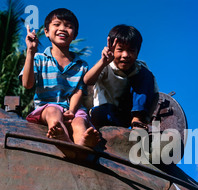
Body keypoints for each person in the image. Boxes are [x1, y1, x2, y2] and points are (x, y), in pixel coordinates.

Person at [20, 8, 100, 149]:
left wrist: (72, 111)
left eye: (69, 26)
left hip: (73, 109)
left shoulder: (81, 65)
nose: (62, 29)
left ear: (74, 35)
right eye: (57, 24)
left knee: (79, 122)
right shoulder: (39, 59)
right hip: (47, 107)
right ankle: (62, 139)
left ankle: (83, 145)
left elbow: (78, 90)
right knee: (53, 111)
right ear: (46, 32)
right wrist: (30, 52)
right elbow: (27, 84)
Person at [84, 24, 158, 130]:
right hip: (107, 112)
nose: (125, 55)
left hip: (131, 112)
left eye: (131, 50)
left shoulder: (140, 68)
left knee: (145, 74)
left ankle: (137, 120)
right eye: (120, 49)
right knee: (99, 113)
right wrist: (103, 62)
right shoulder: (106, 66)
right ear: (112, 50)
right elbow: (87, 80)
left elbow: (154, 94)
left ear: (137, 53)